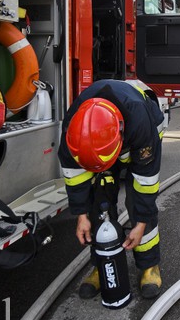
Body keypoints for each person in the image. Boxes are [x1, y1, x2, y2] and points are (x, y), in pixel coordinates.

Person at [58, 79, 166, 300]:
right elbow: (75, 177)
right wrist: (80, 215)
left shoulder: (140, 124)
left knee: (137, 202)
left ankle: (149, 266)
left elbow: (146, 183)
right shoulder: (74, 129)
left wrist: (141, 224)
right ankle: (103, 263)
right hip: (105, 142)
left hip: (144, 133)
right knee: (100, 201)